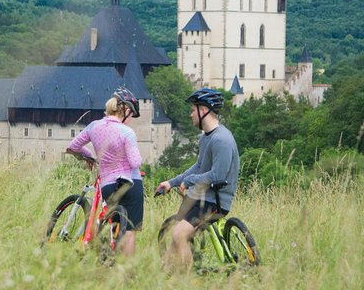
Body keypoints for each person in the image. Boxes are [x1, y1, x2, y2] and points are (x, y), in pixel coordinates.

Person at [154, 88, 239, 271]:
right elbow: (199, 167)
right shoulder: (206, 138)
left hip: (215, 200)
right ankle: (161, 278)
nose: (190, 113)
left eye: (193, 109)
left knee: (179, 235)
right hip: (202, 197)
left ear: (203, 111)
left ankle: (188, 281)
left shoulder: (221, 140)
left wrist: (190, 180)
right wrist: (172, 182)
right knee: (176, 240)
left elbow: (218, 175)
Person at [66, 85, 143, 256]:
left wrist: (89, 157)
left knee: (114, 225)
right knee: (129, 231)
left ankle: (108, 259)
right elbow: (135, 161)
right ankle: (127, 272)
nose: (131, 118)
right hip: (131, 183)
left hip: (108, 185)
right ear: (124, 109)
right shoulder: (127, 132)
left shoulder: (94, 126)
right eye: (131, 114)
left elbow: (72, 147)